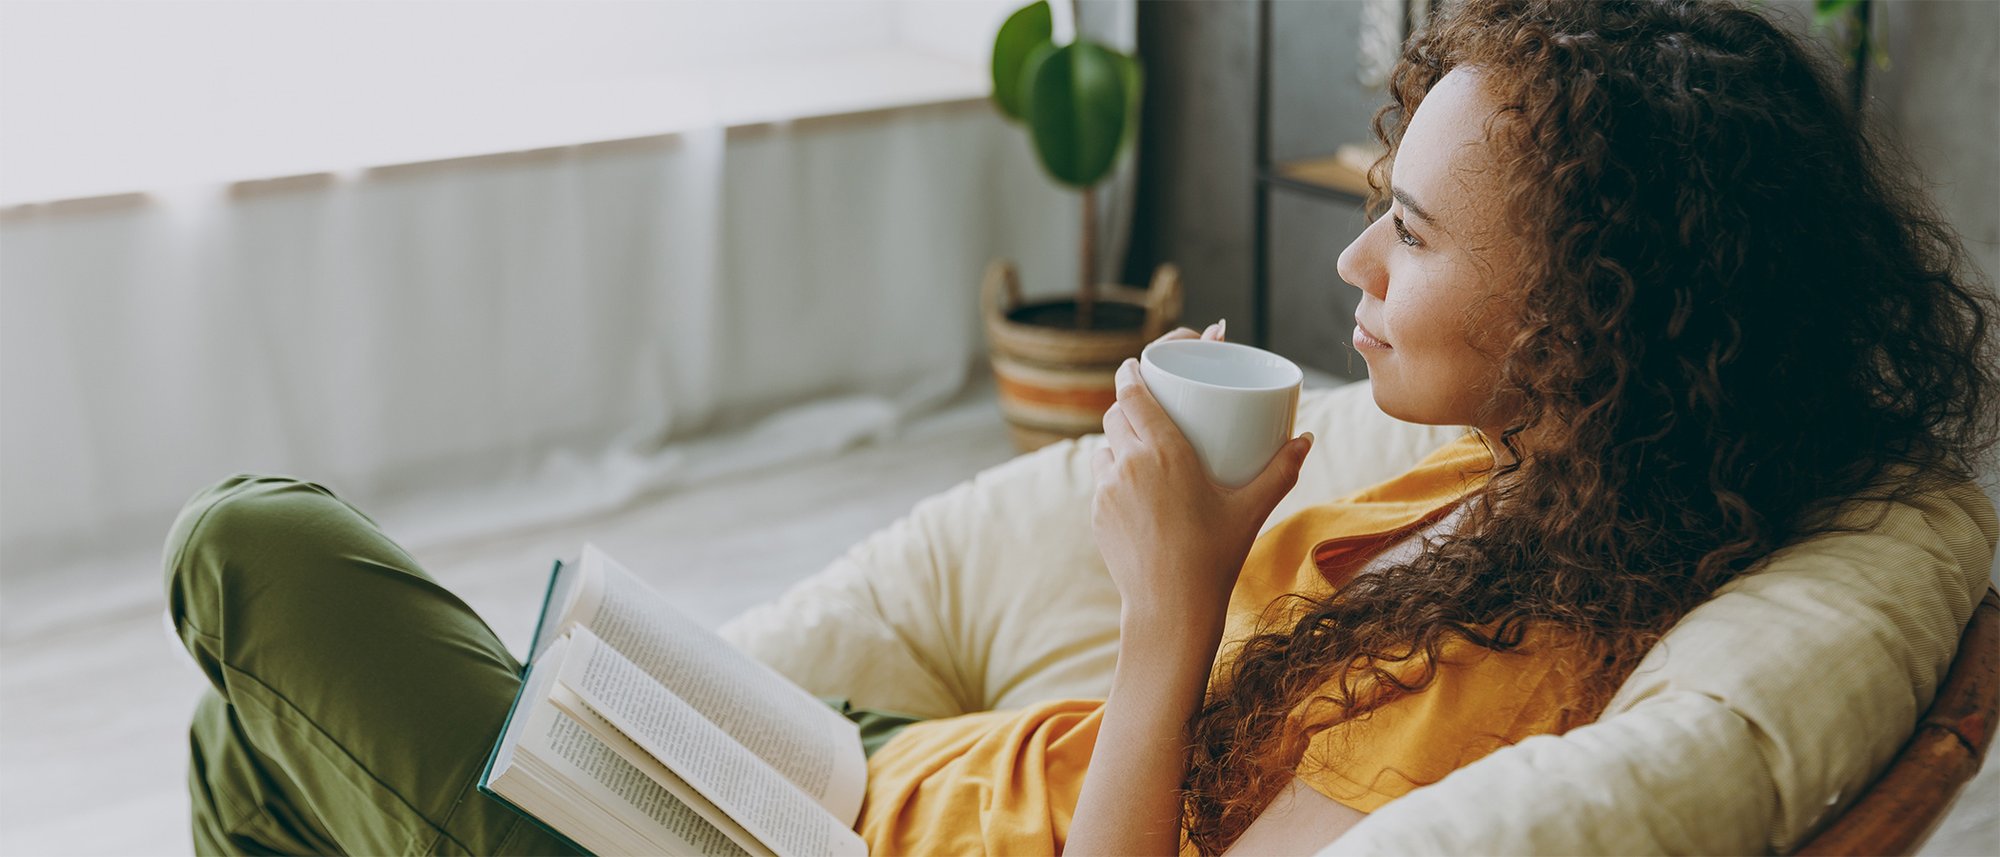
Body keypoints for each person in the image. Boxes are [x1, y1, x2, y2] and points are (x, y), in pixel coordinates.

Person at [165, 0, 1996, 854]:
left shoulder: (1532, 680)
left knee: (251, 549)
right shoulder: (1509, 488)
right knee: (250, 760)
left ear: (1604, 316)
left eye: (1413, 231)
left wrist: (1171, 599)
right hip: (879, 772)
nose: (1352, 255)